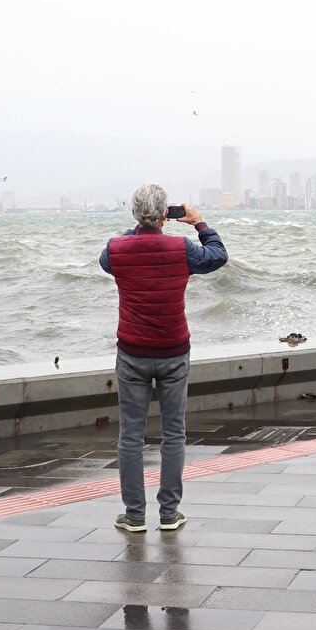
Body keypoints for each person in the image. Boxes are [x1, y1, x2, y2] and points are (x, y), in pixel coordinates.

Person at [99, 183, 228, 532]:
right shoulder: (181, 248)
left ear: (134, 213)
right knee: (174, 434)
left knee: (130, 436)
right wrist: (199, 223)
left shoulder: (115, 249)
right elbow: (218, 255)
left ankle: (135, 515)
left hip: (132, 353)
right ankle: (169, 514)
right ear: (165, 215)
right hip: (173, 351)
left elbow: (111, 259)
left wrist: (139, 227)